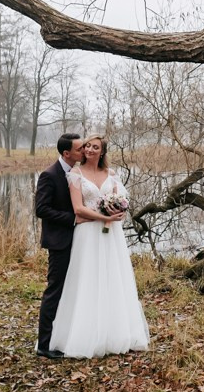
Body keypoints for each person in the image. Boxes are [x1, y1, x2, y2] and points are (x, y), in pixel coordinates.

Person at [49, 135, 149, 358]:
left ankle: (114, 333)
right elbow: (78, 209)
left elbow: (121, 201)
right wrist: (102, 217)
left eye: (95, 147)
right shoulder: (75, 175)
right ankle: (85, 335)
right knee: (88, 278)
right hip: (87, 232)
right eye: (87, 146)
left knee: (113, 277)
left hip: (111, 233)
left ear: (102, 152)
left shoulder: (111, 175)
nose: (90, 150)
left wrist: (117, 212)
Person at [34, 132, 83, 359]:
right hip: (60, 242)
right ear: (67, 153)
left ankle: (68, 336)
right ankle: (44, 345)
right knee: (55, 290)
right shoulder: (49, 175)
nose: (83, 151)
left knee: (75, 290)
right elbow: (41, 209)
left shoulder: (78, 173)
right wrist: (73, 219)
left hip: (81, 241)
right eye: (79, 149)